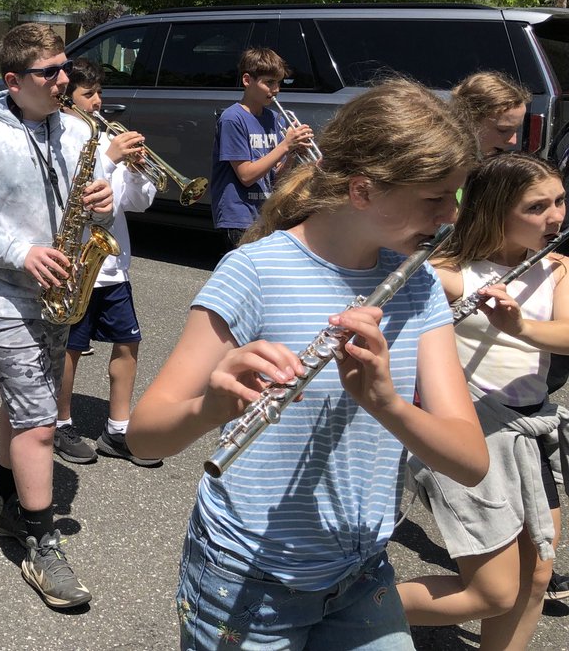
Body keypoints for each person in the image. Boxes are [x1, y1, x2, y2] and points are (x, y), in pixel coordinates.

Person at [127, 78, 489, 650]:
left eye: (456, 196)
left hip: (362, 567)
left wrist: (387, 403)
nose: (451, 217)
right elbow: (145, 439)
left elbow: (470, 462)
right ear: (363, 190)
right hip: (248, 576)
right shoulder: (255, 273)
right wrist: (215, 404)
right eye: (435, 198)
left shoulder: (417, 285)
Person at [0, 23, 114, 610]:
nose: (65, 79)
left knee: (21, 404)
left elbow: (86, 211)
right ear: (14, 81)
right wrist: (21, 251)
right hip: (4, 295)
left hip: (62, 291)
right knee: (39, 417)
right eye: (50, 72)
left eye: (65, 68)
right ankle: (41, 540)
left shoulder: (77, 130)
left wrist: (99, 209)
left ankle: (2, 507)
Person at [396, 154, 569, 649]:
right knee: (491, 591)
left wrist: (521, 328)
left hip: (531, 427)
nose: (555, 216)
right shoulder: (448, 272)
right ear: (495, 210)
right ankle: (351, 607)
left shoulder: (557, 268)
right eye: (537, 207)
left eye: (559, 200)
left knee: (536, 577)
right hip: (472, 430)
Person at [51, 59, 160, 467]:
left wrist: (134, 172)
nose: (98, 102)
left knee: (128, 343)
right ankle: (60, 423)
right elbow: (71, 200)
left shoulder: (104, 137)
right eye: (88, 94)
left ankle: (118, 429)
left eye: (99, 93)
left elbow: (139, 201)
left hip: (113, 266)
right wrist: (111, 159)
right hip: (76, 266)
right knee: (70, 351)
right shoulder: (62, 140)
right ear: (67, 100)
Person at [210, 47, 314, 246]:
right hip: (239, 215)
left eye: (278, 83)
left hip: (266, 213)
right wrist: (285, 145)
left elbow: (276, 180)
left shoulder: (274, 119)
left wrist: (292, 153)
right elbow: (246, 176)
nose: (275, 90)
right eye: (269, 82)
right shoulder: (233, 118)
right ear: (247, 80)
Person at [451, 71, 531, 157]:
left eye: (517, 130)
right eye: (503, 130)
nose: (513, 141)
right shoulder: (444, 165)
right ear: (468, 120)